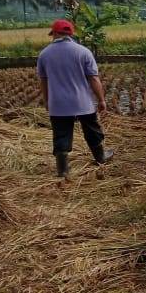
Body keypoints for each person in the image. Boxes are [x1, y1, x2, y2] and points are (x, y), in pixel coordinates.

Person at [37, 19, 114, 178]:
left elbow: (43, 81)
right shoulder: (83, 52)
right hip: (82, 102)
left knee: (61, 134)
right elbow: (93, 78)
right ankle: (100, 157)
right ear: (70, 34)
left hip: (59, 104)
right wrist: (101, 100)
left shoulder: (44, 55)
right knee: (92, 130)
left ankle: (63, 169)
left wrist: (47, 101)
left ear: (55, 34)